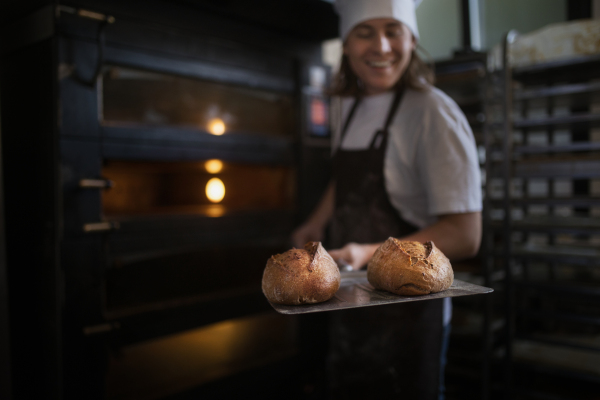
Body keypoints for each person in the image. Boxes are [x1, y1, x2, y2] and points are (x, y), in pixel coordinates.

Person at [291, 0, 482, 398]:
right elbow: (345, 181)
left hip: (409, 314)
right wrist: (316, 221)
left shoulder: (434, 113)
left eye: (393, 30)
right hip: (351, 300)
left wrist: (367, 252)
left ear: (412, 39)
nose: (381, 46)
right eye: (364, 32)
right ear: (346, 44)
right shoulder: (348, 105)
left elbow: (466, 234)